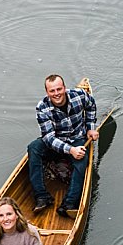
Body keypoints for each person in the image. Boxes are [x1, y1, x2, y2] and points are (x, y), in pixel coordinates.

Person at [29, 74, 97, 217]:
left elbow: (91, 105)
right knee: (34, 147)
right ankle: (42, 197)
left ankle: (69, 203)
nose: (56, 94)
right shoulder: (42, 108)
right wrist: (70, 150)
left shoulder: (80, 95)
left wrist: (90, 127)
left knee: (81, 160)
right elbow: (48, 138)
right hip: (55, 142)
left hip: (77, 138)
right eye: (52, 91)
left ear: (65, 88)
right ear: (47, 92)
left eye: (59, 89)